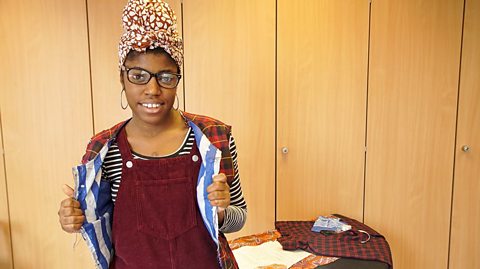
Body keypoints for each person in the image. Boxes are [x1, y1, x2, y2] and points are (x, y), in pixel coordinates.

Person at [57, 0, 247, 268]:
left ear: (178, 79)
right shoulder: (103, 149)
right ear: (121, 77)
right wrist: (73, 220)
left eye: (166, 77)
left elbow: (239, 217)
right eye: (138, 76)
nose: (153, 89)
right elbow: (94, 223)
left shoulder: (213, 139)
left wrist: (219, 212)